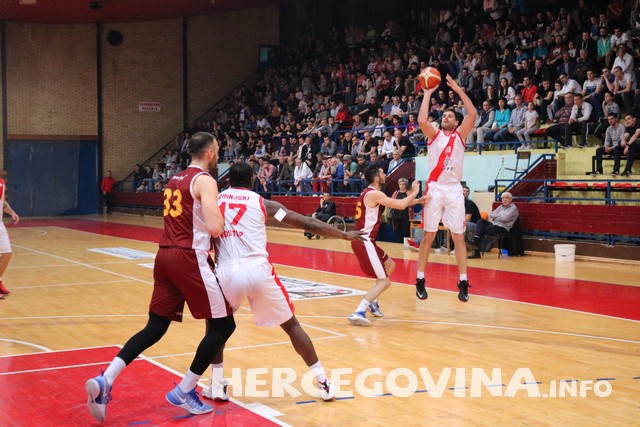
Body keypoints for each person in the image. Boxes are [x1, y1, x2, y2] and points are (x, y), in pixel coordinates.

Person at [85, 132, 236, 422]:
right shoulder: (205, 180)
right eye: (216, 149)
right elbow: (215, 227)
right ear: (209, 153)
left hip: (164, 255)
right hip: (189, 257)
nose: (217, 153)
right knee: (224, 325)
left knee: (155, 327)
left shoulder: (174, 179)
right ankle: (185, 389)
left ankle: (106, 379)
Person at [203, 162, 364, 401]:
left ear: (228, 181)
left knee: (215, 328)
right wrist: (343, 234)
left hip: (226, 271)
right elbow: (307, 223)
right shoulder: (265, 205)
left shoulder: (213, 201)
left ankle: (218, 385)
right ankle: (323, 382)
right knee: (292, 326)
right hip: (258, 269)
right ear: (253, 179)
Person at [414, 73, 478, 302]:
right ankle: (420, 278)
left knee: (458, 236)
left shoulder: (460, 135)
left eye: (450, 115)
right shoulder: (435, 135)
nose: (446, 117)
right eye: (444, 115)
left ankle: (463, 281)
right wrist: (427, 93)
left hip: (453, 189)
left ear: (456, 122)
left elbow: (473, 114)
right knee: (428, 235)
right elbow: (422, 121)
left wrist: (459, 91)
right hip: (435, 188)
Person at [347, 164, 425, 326]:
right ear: (377, 178)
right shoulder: (374, 194)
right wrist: (415, 192)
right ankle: (359, 311)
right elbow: (400, 205)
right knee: (385, 281)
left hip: (366, 240)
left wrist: (418, 200)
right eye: (382, 173)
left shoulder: (371, 193)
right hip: (364, 240)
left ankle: (372, 301)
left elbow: (396, 202)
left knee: (389, 265)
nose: (385, 175)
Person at [468, 192, 519, 258]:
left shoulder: (513, 208)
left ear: (511, 199)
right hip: (494, 224)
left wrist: (497, 216)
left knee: (478, 230)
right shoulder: (500, 207)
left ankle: (476, 248)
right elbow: (491, 215)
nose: (504, 199)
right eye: (503, 198)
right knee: (480, 221)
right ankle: (476, 239)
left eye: (507, 197)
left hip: (503, 228)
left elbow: (505, 218)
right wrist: (500, 216)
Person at [0, 178, 19, 299]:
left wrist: (12, 212)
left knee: (7, 253)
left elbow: (3, 202)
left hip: (0, 224)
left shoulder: (1, 183)